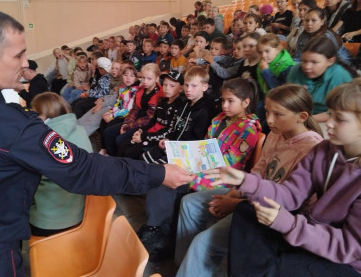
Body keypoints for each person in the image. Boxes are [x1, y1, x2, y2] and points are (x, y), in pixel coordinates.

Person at [0, 8, 191, 277]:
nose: (25, 64)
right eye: (19, 55)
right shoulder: (11, 125)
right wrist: (158, 173)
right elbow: (82, 169)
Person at [209, 79, 361, 277]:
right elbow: (290, 193)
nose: (328, 123)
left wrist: (289, 225)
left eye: (339, 119)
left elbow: (349, 247)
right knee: (246, 214)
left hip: (345, 261)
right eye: (330, 115)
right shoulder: (325, 150)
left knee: (279, 267)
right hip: (310, 231)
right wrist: (243, 181)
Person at [175, 84, 324, 277]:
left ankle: (193, 266)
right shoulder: (276, 134)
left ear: (301, 117)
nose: (269, 120)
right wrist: (234, 193)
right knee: (189, 203)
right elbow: (259, 171)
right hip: (252, 196)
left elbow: (291, 203)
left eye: (278, 114)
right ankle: (183, 266)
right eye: (268, 112)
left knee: (204, 243)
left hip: (274, 214)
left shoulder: (311, 149)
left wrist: (236, 203)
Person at [140, 77, 260, 261]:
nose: (225, 106)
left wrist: (196, 164)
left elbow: (231, 162)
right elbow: (204, 144)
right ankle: (157, 230)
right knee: (164, 171)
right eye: (223, 100)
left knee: (174, 179)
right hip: (203, 165)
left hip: (223, 175)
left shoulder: (249, 128)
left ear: (246, 102)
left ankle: (157, 231)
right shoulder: (220, 118)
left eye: (231, 101)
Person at [29, 92, 92, 236]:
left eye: (34, 114)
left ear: (44, 116)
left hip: (49, 221)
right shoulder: (80, 130)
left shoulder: (44, 140)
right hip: (78, 214)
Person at [117, 70, 185, 159]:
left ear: (181, 88)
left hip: (157, 139)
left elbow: (168, 131)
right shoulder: (162, 101)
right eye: (165, 85)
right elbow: (152, 122)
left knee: (130, 152)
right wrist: (141, 131)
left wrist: (144, 136)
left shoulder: (179, 107)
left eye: (172, 86)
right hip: (148, 133)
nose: (167, 88)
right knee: (123, 146)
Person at [102, 63, 163, 156]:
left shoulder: (158, 95)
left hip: (144, 125)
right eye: (143, 78)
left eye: (149, 79)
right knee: (108, 133)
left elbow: (148, 119)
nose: (145, 81)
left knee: (120, 140)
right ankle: (111, 156)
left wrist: (129, 126)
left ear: (157, 79)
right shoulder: (141, 89)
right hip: (134, 121)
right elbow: (134, 109)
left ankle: (118, 161)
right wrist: (126, 123)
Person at [287, 36, 354, 123]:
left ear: (330, 61)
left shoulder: (340, 77)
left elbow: (338, 112)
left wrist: (306, 120)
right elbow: (289, 99)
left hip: (329, 121)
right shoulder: (296, 70)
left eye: (314, 62)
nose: (307, 67)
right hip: (300, 116)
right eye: (304, 61)